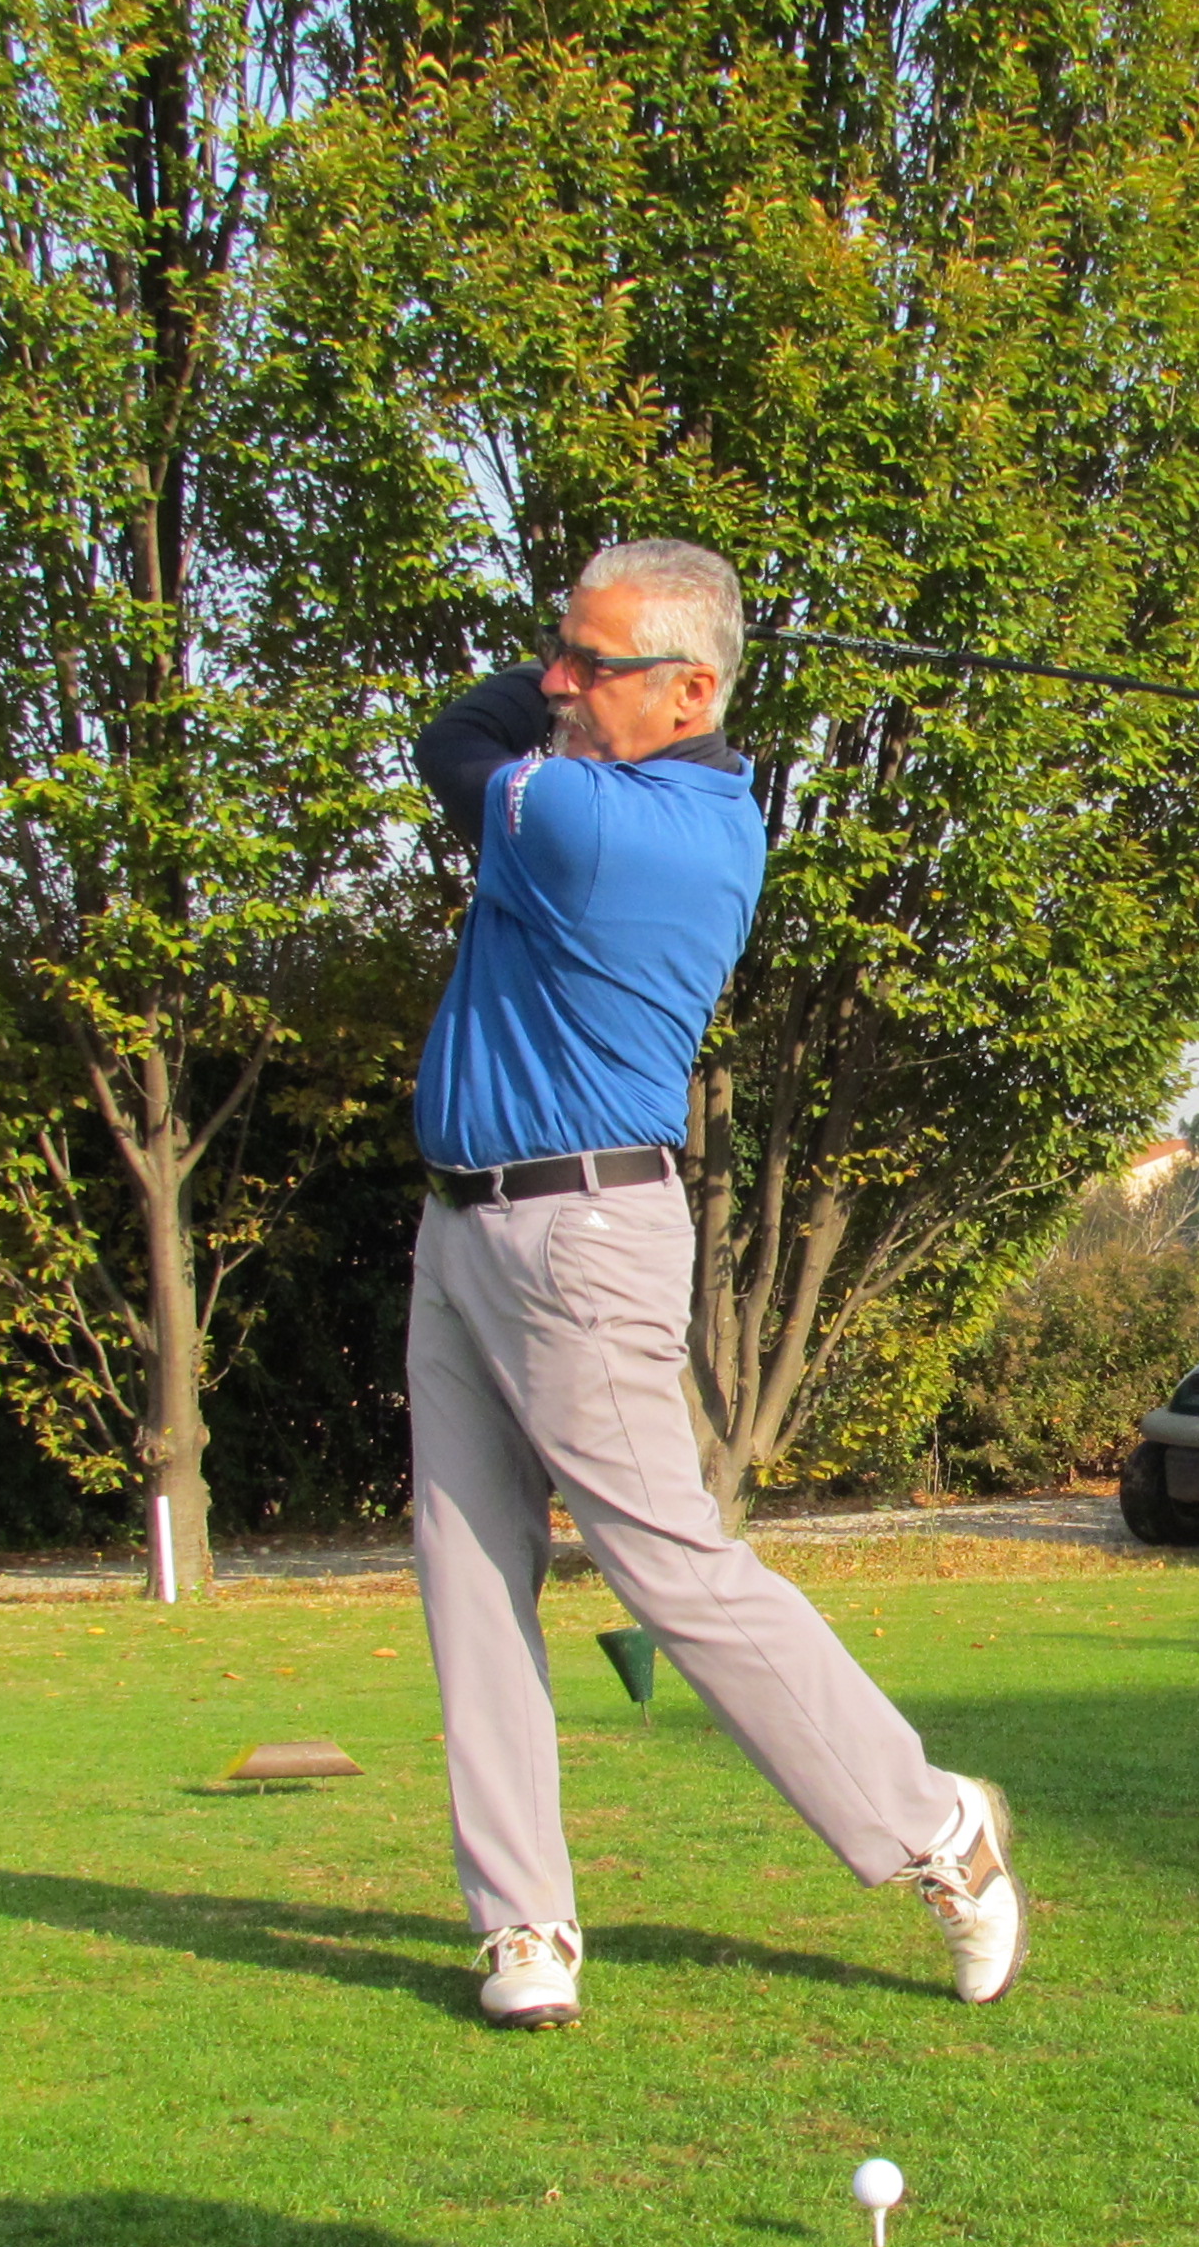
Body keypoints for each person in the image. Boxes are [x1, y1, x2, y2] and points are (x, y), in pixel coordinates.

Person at [406, 540, 1023, 2032]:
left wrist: (560, 687)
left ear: (691, 696)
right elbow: (505, 723)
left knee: (667, 1566)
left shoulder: (612, 829)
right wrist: (601, 658)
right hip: (460, 1224)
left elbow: (452, 741)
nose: (557, 682)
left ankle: (937, 1827)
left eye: (591, 664)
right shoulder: (613, 774)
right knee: (467, 1570)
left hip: (582, 1237)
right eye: (555, 649)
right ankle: (524, 1923)